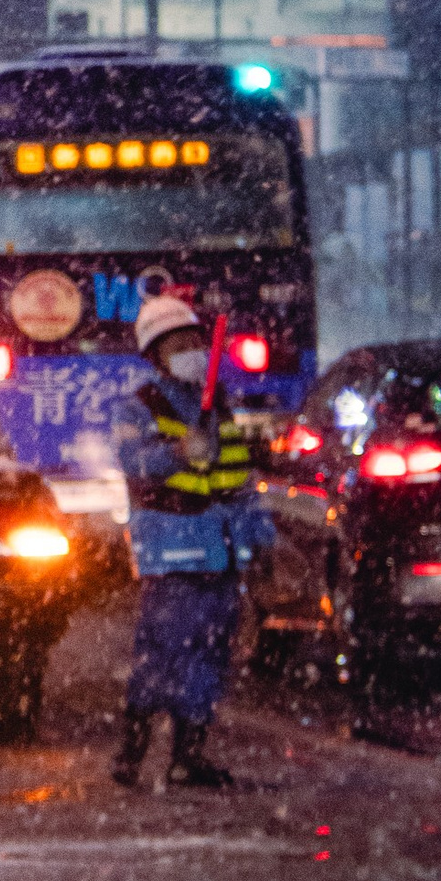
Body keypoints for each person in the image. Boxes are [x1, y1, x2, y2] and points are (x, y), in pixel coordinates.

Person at [113, 292, 266, 788]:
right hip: (172, 555)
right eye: (179, 343)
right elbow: (135, 464)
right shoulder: (144, 406)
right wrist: (177, 451)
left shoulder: (219, 406)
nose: (192, 351)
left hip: (219, 555)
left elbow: (237, 481)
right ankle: (131, 752)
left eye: (196, 341)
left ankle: (186, 756)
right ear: (156, 354)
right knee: (161, 654)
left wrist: (256, 537)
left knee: (208, 658)